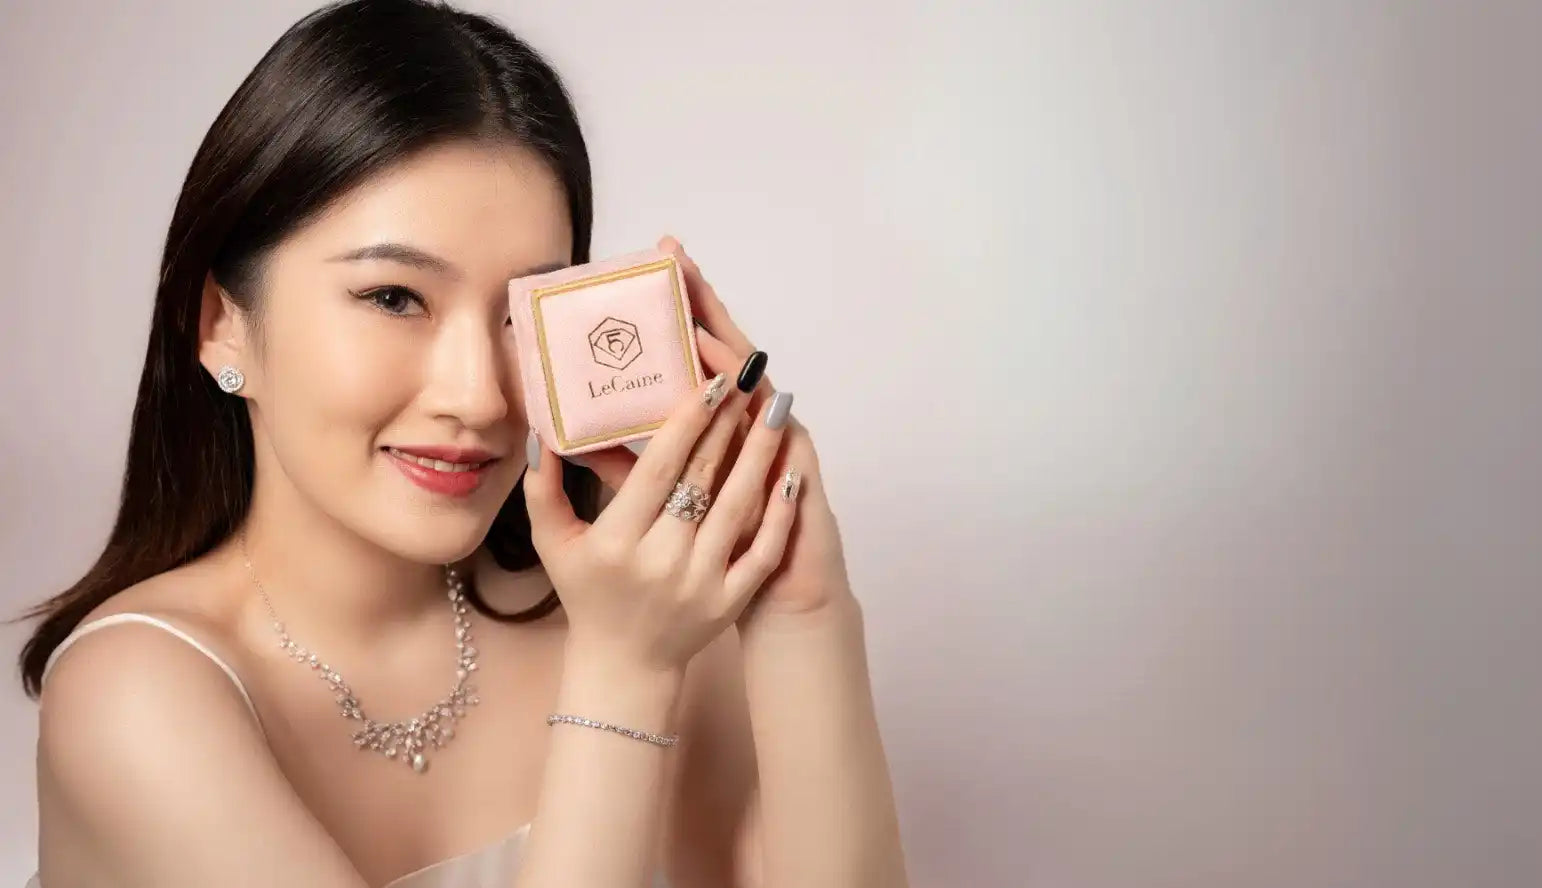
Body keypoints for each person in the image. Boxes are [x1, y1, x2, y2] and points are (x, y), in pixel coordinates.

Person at [14, 1, 909, 886]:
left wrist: (803, 610)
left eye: (522, 313)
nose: (480, 395)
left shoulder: (636, 603)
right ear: (221, 324)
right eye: (395, 298)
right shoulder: (134, 693)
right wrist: (622, 677)